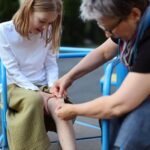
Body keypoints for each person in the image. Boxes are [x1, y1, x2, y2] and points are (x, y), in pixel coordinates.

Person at [51, 0, 150, 149]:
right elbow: (103, 53)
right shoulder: (131, 21)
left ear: (135, 14)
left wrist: (73, 110)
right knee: (108, 118)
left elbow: (117, 105)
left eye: (110, 29)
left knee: (134, 127)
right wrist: (69, 77)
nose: (107, 35)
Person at [0, 0, 77, 150]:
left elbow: (50, 64)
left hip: (40, 84)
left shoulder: (48, 31)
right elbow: (12, 70)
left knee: (59, 105)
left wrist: (52, 88)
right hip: (13, 85)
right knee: (34, 100)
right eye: (42, 21)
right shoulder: (3, 31)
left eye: (50, 23)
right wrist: (37, 92)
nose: (45, 27)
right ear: (28, 10)